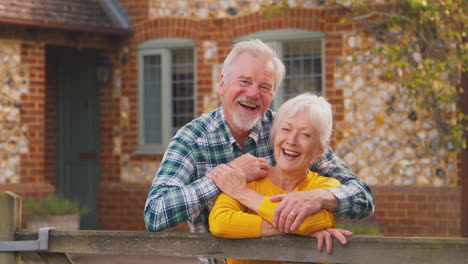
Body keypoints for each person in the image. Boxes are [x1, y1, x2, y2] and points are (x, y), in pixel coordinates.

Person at [144, 39, 374, 264]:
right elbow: (155, 214)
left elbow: (363, 197)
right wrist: (226, 178)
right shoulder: (192, 140)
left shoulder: (285, 132)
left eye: (264, 87)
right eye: (244, 81)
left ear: (273, 94)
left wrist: (322, 198)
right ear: (222, 83)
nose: (253, 93)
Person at [208, 93, 345, 264]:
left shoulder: (326, 188)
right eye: (286, 129)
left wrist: (243, 194)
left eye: (306, 134)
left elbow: (311, 223)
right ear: (274, 137)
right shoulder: (248, 179)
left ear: (321, 149)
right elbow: (220, 223)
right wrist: (298, 229)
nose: (292, 140)